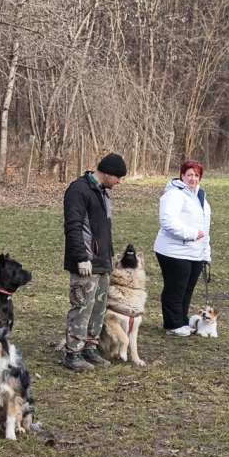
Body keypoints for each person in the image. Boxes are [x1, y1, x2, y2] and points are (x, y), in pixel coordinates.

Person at [62, 153, 127, 371]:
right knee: (82, 307)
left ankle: (90, 347)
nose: (119, 181)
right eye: (118, 177)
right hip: (86, 263)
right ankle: (73, 352)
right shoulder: (79, 190)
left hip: (102, 263)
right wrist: (81, 257)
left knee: (97, 309)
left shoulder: (102, 193)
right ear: (107, 172)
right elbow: (74, 226)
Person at [154, 160, 211, 336]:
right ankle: (172, 324)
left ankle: (181, 319)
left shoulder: (200, 195)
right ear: (182, 176)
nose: (193, 178)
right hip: (173, 250)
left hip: (194, 251)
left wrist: (205, 252)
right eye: (189, 175)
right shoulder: (174, 194)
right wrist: (191, 233)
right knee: (175, 287)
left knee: (187, 288)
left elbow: (205, 226)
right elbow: (167, 221)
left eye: (196, 175)